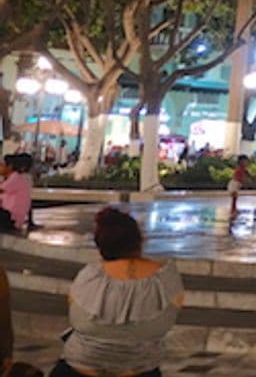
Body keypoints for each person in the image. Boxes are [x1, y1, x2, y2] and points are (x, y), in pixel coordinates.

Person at [51, 208, 184, 377]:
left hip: (79, 368)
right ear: (139, 240)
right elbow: (171, 312)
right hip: (138, 369)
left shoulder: (89, 276)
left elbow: (75, 312)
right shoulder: (166, 278)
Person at [0, 155, 33, 234]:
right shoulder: (15, 178)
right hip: (9, 217)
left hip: (11, 219)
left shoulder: (15, 177)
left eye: (1, 165)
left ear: (10, 166)